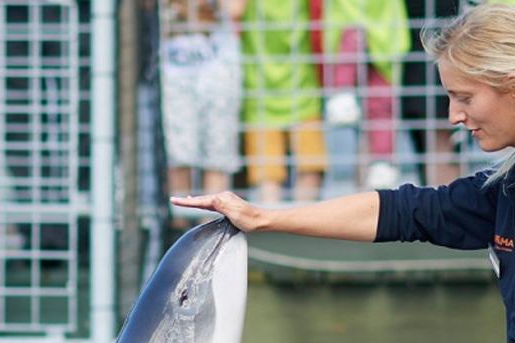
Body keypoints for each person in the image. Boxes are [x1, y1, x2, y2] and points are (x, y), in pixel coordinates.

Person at [172, 3, 515, 343]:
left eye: (465, 97)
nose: (454, 116)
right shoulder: (504, 185)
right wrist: (266, 217)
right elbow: (406, 212)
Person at [160, 0, 243, 228]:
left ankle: (213, 229)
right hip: (174, 69)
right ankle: (178, 230)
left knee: (217, 156)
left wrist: (186, 7)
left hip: (218, 68)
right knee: (178, 157)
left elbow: (235, 8)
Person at [237, 0, 327, 204]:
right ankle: (300, 227)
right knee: (300, 171)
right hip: (287, 94)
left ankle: (280, 229)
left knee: (270, 177)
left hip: (277, 95)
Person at [324, 0, 411, 190]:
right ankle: (342, 94)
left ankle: (382, 162)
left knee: (381, 104)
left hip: (383, 35)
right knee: (350, 42)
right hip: (356, 31)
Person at [401, 0, 461, 187]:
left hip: (452, 36)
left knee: (440, 136)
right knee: (433, 136)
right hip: (408, 46)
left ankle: (447, 209)